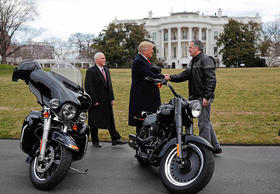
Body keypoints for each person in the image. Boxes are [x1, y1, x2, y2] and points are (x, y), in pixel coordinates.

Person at [164, 40, 222, 154]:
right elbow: (185, 75)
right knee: (206, 121)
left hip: (202, 97)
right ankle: (215, 146)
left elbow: (211, 79)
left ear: (197, 48)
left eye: (190, 47)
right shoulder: (193, 61)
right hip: (195, 96)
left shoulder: (206, 60)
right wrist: (170, 77)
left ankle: (205, 151)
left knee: (203, 124)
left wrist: (207, 96)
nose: (188, 49)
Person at [85, 52, 126, 147]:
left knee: (110, 120)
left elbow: (109, 85)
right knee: (94, 121)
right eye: (102, 58)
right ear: (97, 60)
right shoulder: (91, 71)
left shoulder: (106, 70)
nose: (104, 60)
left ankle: (115, 139)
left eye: (104, 58)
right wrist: (94, 101)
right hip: (96, 101)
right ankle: (95, 141)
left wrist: (112, 98)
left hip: (107, 100)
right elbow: (89, 87)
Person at [128, 41, 165, 130]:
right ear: (144, 50)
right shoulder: (139, 61)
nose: (152, 51)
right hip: (143, 97)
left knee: (148, 119)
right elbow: (148, 75)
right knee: (142, 119)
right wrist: (163, 77)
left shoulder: (143, 60)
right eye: (151, 49)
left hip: (147, 96)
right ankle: (141, 140)